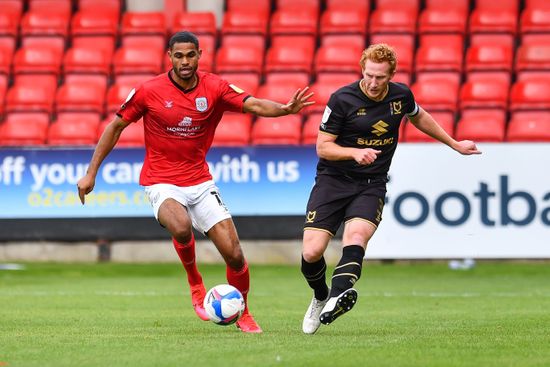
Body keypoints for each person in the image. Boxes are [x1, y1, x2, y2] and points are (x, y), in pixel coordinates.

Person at [77, 31, 314, 334]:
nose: (185, 61)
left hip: (200, 181)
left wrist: (284, 109)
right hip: (161, 180)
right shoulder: (149, 91)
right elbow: (115, 126)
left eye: (191, 55)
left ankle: (244, 311)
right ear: (170, 57)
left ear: (200, 54)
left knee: (234, 253)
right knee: (179, 225)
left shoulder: (214, 87)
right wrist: (91, 172)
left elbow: (253, 104)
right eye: (179, 55)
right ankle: (195, 282)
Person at [300, 43, 481, 335]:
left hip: (371, 184)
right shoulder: (342, 99)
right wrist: (353, 153)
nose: (373, 83)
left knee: (356, 235)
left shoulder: (401, 95)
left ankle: (337, 295)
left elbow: (418, 116)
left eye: (380, 77)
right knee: (311, 252)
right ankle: (321, 295)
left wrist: (454, 143)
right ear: (362, 70)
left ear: (391, 75)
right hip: (333, 181)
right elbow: (323, 147)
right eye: (369, 75)